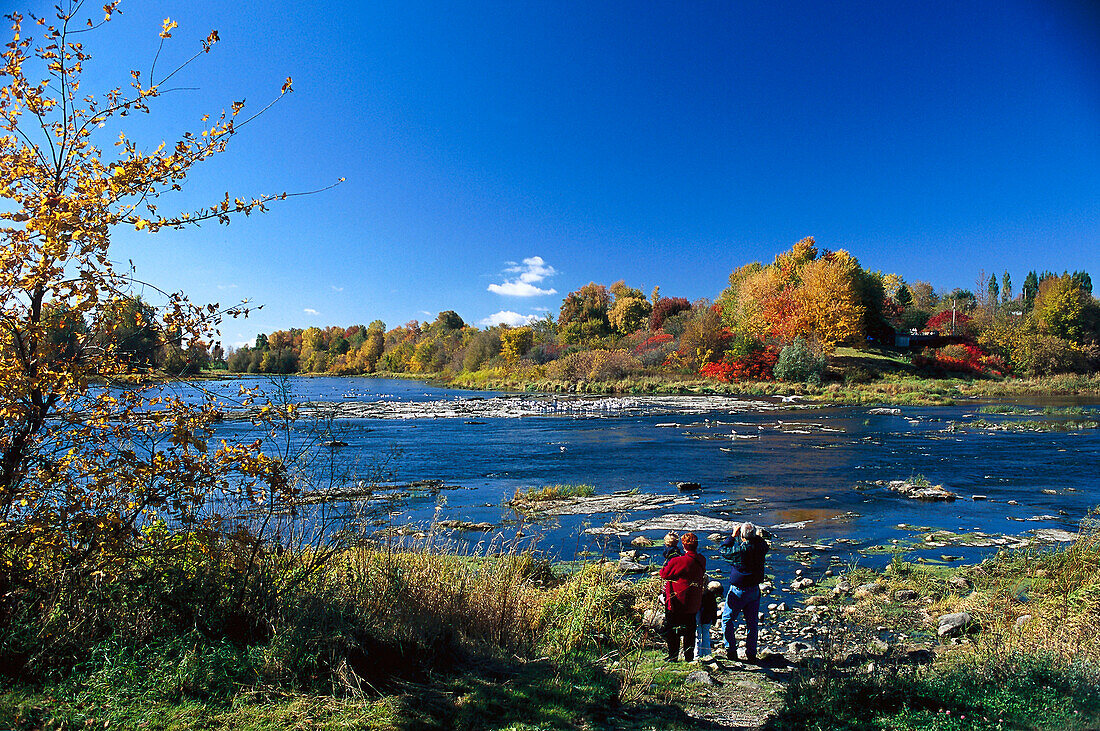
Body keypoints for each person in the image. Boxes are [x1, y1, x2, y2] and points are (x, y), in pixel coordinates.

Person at [720, 522, 769, 663]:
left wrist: (732, 536)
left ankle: (731, 651)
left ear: (742, 536)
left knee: (727, 619)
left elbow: (723, 551)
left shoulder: (740, 551)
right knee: (752, 622)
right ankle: (751, 653)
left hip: (738, 590)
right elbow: (764, 544)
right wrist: (756, 535)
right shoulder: (760, 548)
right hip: (754, 589)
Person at [658, 531, 706, 662]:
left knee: (672, 629)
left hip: (677, 600)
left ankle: (673, 656)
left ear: (683, 546)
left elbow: (664, 574)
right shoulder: (702, 559)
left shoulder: (678, 561)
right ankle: (689, 657)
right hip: (694, 601)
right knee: (690, 630)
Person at [694, 580, 722, 661]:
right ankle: (707, 653)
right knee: (706, 636)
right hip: (707, 619)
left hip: (699, 618)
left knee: (697, 636)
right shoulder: (712, 599)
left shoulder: (702, 595)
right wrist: (714, 620)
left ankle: (697, 654)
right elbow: (714, 611)